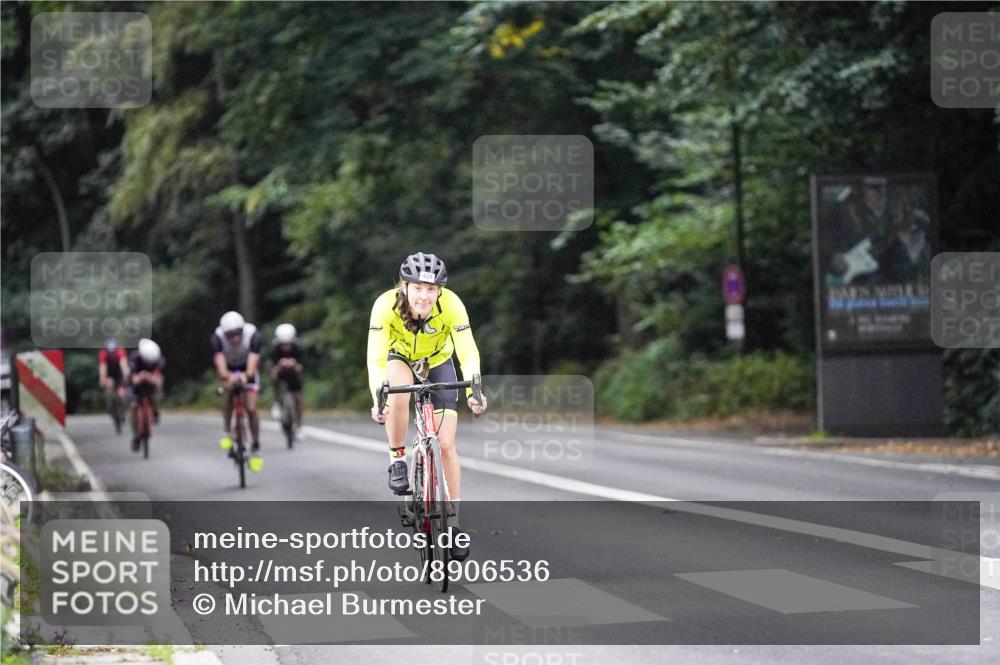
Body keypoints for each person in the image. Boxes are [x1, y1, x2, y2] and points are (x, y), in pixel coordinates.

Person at [367, 252, 486, 562]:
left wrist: (475, 386)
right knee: (397, 394)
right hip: (401, 358)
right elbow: (376, 359)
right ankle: (397, 459)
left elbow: (468, 351)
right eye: (418, 287)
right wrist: (376, 396)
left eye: (431, 289)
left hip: (438, 361)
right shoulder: (385, 306)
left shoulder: (452, 305)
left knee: (446, 445)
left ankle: (455, 525)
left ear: (440, 290)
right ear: (404, 286)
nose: (424, 295)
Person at [212, 311, 264, 472]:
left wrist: (246, 375)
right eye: (230, 335)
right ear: (224, 334)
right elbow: (220, 366)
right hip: (228, 370)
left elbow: (253, 361)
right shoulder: (217, 338)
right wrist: (228, 377)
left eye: (237, 334)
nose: (235, 339)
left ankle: (255, 442)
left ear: (243, 330)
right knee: (227, 394)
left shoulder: (253, 334)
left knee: (251, 408)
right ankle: (227, 431)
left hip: (247, 368)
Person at [127, 338, 165, 451]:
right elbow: (133, 379)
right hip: (137, 386)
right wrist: (140, 377)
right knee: (133, 406)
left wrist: (148, 377)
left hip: (151, 385)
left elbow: (157, 379)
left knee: (158, 390)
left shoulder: (159, 360)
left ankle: (156, 411)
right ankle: (136, 435)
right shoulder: (134, 358)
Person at [269, 323, 304, 439]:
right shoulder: (274, 348)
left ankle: (299, 425)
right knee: (273, 376)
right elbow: (273, 366)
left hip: (293, 373)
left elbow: (301, 366)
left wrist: (294, 364)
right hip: (280, 372)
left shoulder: (298, 347)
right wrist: (280, 365)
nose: (285, 346)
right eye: (283, 344)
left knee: (298, 398)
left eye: (287, 344)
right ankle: (276, 402)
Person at [98, 339, 130, 429]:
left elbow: (124, 366)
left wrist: (126, 377)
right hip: (109, 377)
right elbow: (102, 368)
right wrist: (103, 380)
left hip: (119, 376)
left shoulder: (120, 352)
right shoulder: (103, 354)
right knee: (109, 397)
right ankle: (113, 414)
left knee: (122, 396)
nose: (112, 354)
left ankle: (123, 413)